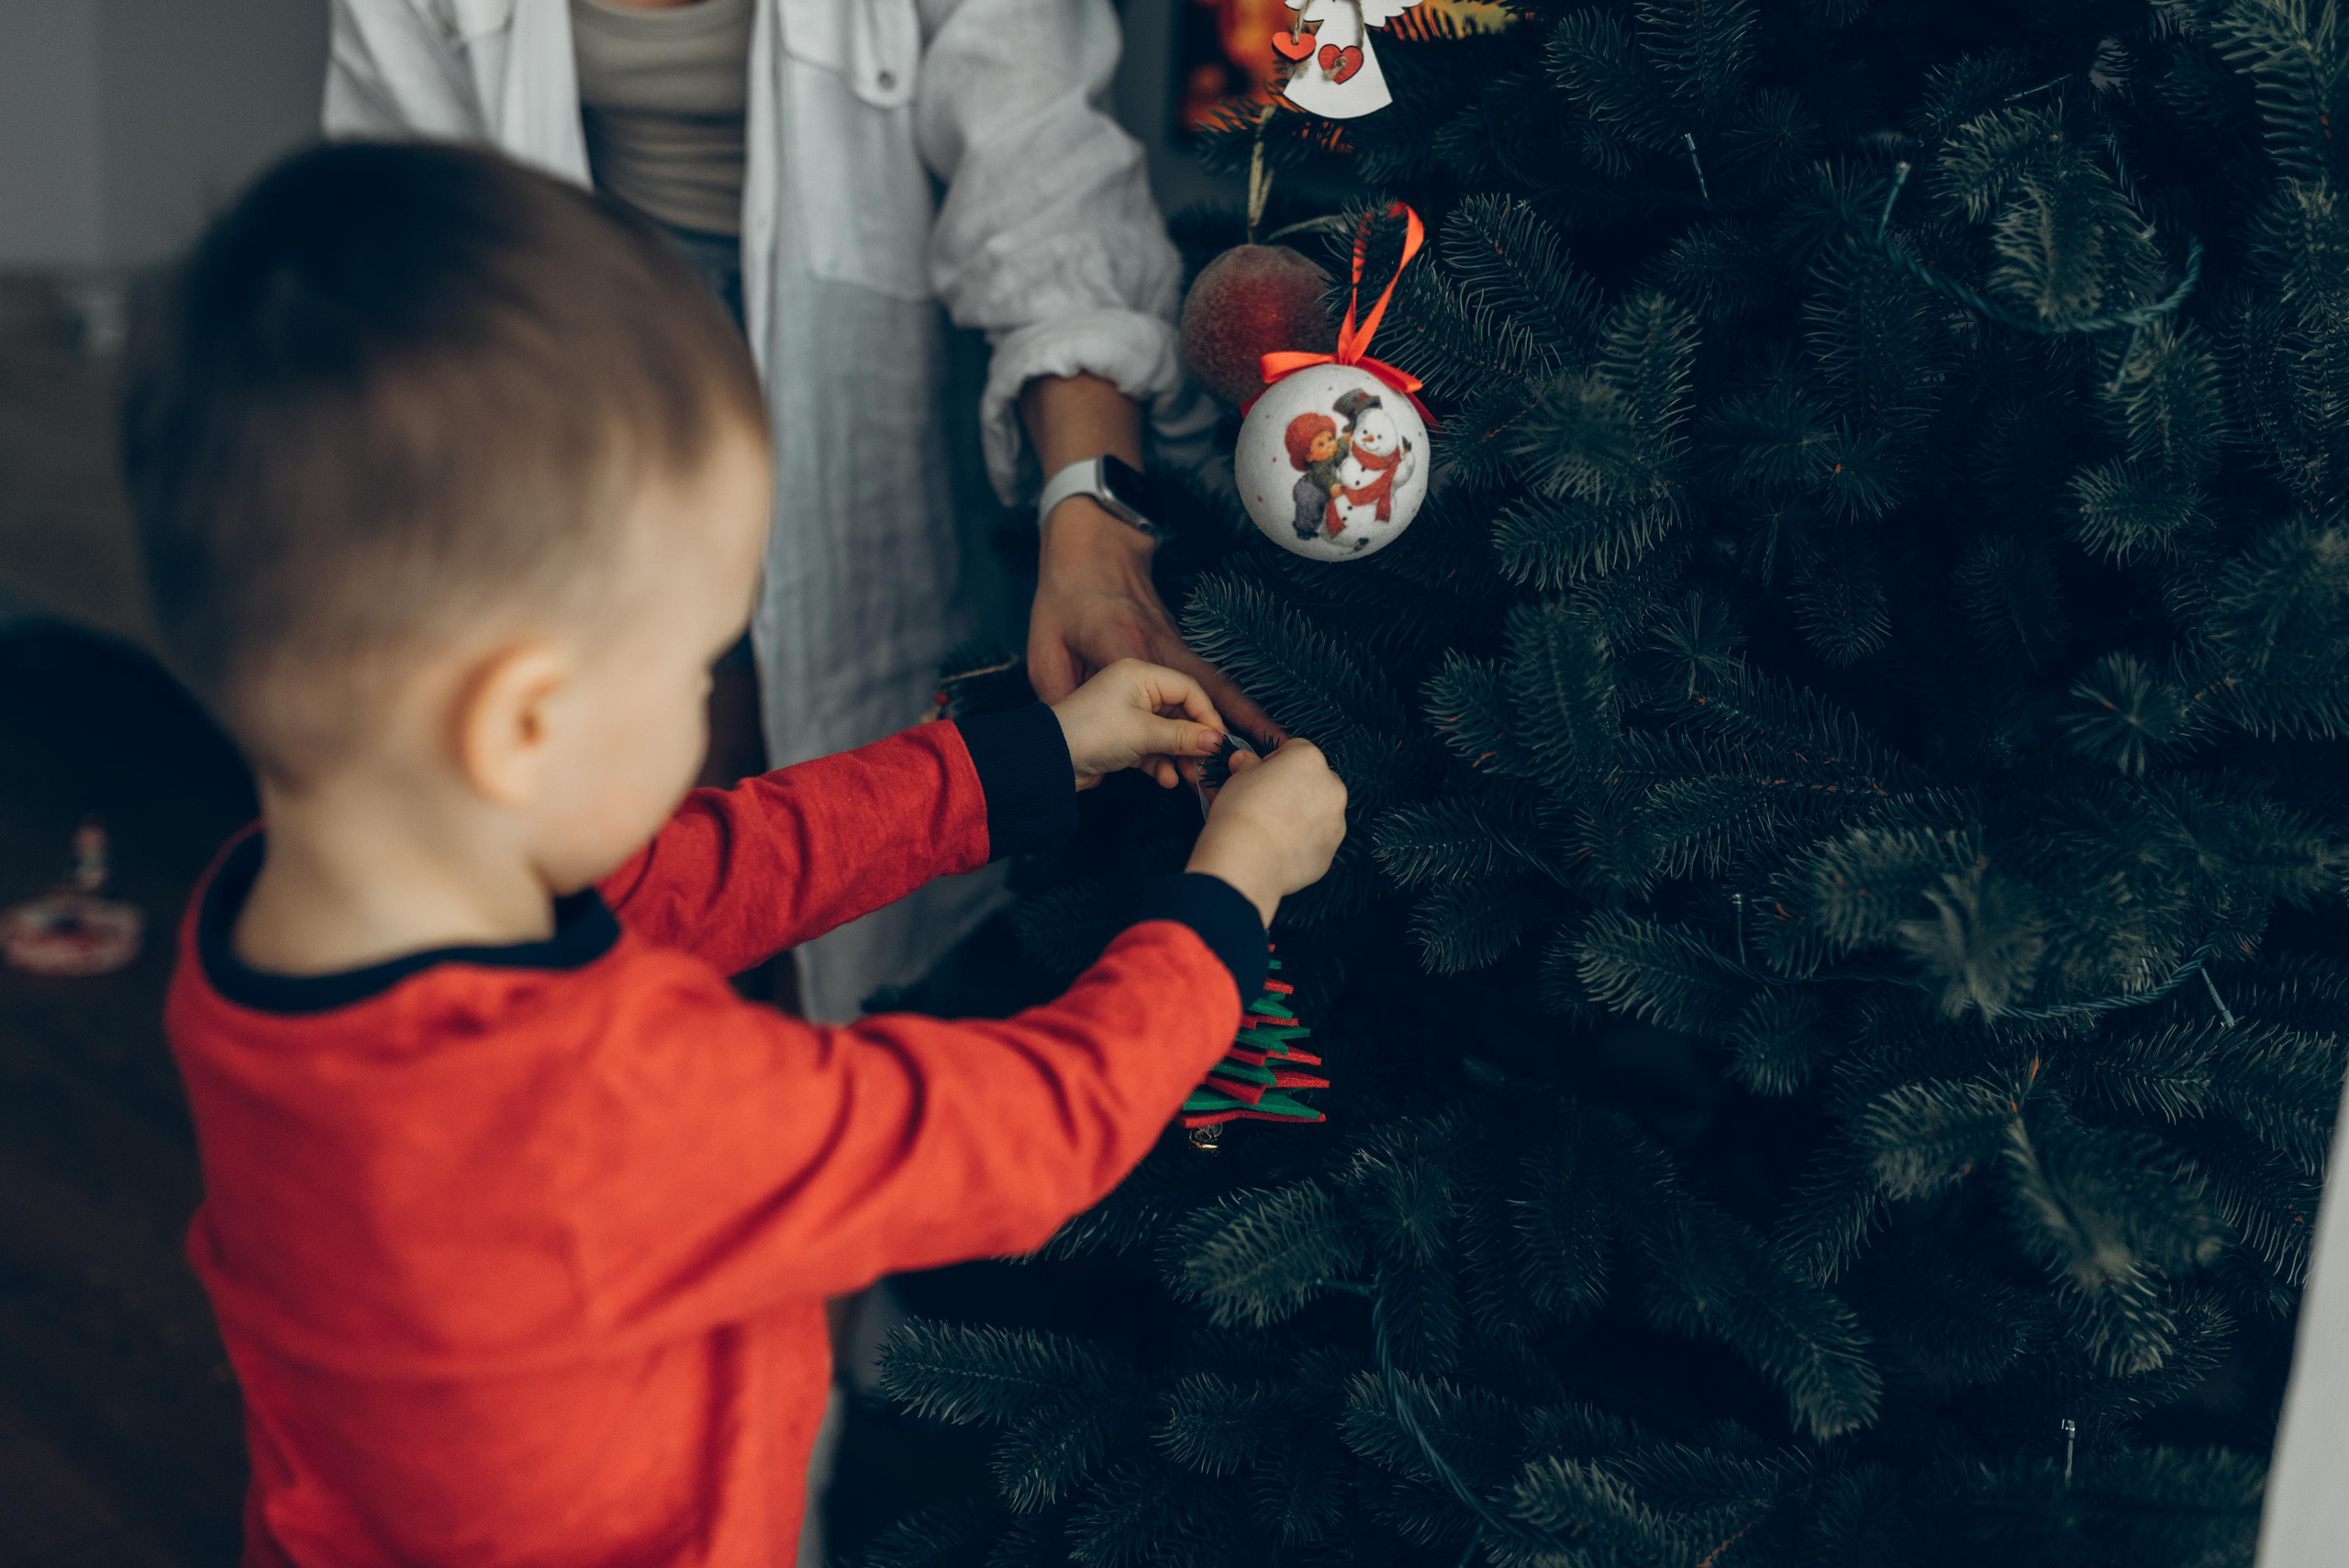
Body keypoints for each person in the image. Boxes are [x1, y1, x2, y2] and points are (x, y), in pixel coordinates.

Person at [120, 140, 1345, 1568]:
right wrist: (1230, 896)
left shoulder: (273, 914)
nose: (712, 701)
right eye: (698, 663)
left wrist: (1033, 756)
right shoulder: (605, 1107)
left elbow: (709, 874)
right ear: (522, 718)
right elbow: (1022, 1129)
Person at [324, 0, 1281, 1023]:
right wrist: (1232, 890)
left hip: (841, 365)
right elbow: (396, 239)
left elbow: (1048, 193)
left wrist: (1094, 527)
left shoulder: (326, 951)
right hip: (584, 337)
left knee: (765, 839)